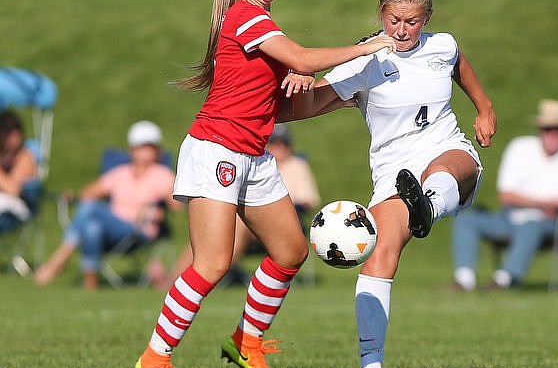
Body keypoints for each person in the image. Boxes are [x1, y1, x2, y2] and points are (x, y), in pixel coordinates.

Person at [132, 0, 395, 368]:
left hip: (253, 156)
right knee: (213, 262)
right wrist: (367, 48)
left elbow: (286, 107)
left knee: (291, 251)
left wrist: (344, 93)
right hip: (216, 149)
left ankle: (245, 344)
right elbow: (303, 58)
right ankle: (154, 359)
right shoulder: (246, 17)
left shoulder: (264, 24)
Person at [286, 0, 497, 368]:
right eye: (394, 19)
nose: (402, 30)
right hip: (394, 171)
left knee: (449, 167)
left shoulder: (443, 45)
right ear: (381, 13)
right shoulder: (366, 59)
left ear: (427, 18)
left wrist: (484, 108)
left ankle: (428, 207)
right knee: (380, 255)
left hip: (445, 149)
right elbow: (310, 106)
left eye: (413, 21)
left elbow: (460, 67)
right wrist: (295, 85)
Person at [451, 99, 558, 291]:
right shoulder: (520, 148)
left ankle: (505, 279)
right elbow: (506, 196)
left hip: (553, 225)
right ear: (541, 130)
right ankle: (464, 279)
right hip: (510, 220)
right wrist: (548, 203)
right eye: (549, 129)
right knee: (467, 220)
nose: (554, 135)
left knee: (532, 225)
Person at [163, 123, 320, 287]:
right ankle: (177, 279)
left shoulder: (296, 166)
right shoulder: (254, 163)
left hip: (278, 221)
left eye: (284, 143)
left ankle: (210, 275)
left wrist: (276, 208)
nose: (279, 147)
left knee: (235, 229)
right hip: (241, 215)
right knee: (210, 233)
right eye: (275, 143)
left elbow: (308, 201)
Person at [33, 121, 180, 290]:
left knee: (91, 208)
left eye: (151, 147)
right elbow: (88, 193)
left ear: (158, 151)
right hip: (112, 229)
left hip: (138, 230)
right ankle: (90, 287)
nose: (146, 152)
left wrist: (158, 207)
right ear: (131, 149)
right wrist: (72, 196)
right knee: (91, 227)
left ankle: (58, 261)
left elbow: (177, 206)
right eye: (141, 147)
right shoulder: (121, 173)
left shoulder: (163, 175)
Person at [0, 109, 38, 232]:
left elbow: (14, 190)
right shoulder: (5, 156)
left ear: (16, 135)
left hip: (15, 212)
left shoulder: (25, 157)